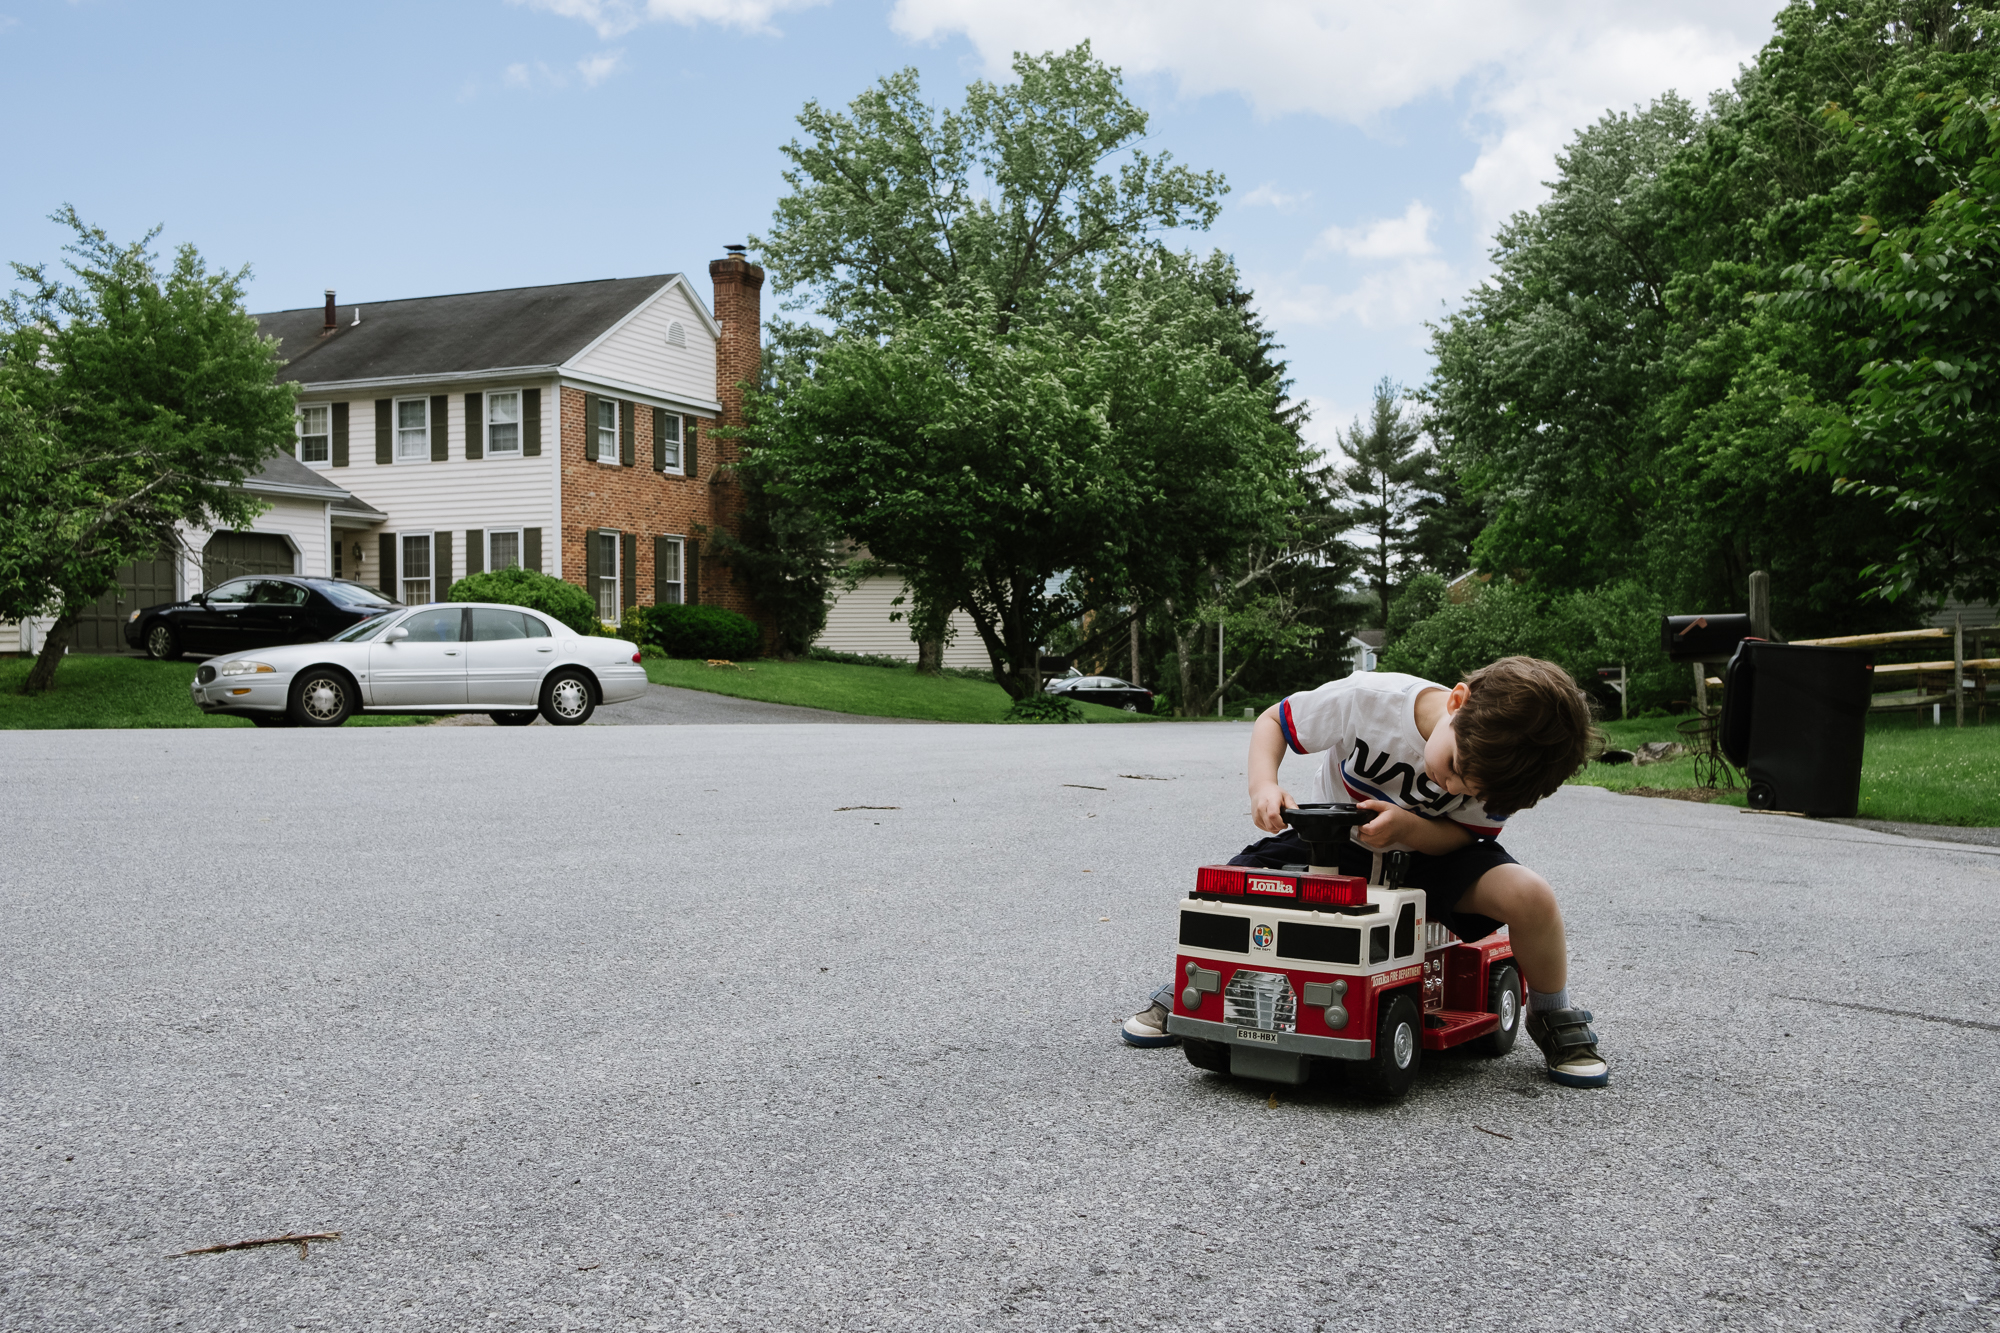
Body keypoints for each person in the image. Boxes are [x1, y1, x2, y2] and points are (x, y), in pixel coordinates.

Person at [1121, 656, 1610, 1088]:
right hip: (1334, 843)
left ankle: (1551, 1013)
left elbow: (1466, 836)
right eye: (1456, 765)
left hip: (1434, 858)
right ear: (1457, 703)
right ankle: (1195, 990)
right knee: (1232, 887)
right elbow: (1274, 720)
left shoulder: (1505, 773)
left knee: (1532, 897)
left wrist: (1415, 831)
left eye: (1472, 788)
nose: (1455, 783)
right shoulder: (1368, 699)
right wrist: (1263, 786)